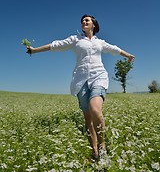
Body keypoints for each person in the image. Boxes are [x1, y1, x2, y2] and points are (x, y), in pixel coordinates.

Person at [26, 14, 135, 162]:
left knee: (95, 109)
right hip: (81, 80)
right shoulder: (75, 39)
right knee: (88, 120)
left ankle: (102, 148)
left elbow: (114, 49)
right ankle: (94, 153)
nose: (84, 21)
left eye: (87, 20)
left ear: (94, 25)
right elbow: (55, 45)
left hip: (99, 77)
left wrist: (127, 55)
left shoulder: (100, 42)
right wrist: (34, 50)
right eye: (83, 20)